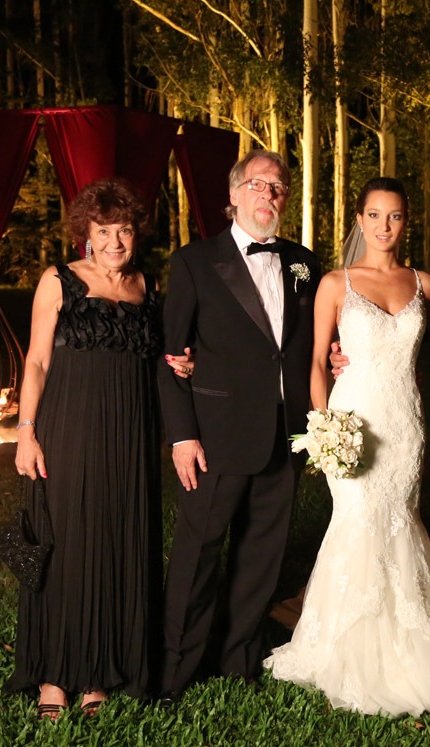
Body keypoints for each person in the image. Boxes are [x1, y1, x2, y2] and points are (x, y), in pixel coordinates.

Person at [265, 177, 430, 716]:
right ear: (360, 219)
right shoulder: (334, 283)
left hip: (404, 425)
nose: (385, 226)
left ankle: (407, 648)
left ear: (405, 221)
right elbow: (316, 362)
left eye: (395, 216)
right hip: (352, 422)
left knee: (399, 521)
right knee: (358, 521)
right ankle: (344, 648)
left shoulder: (424, 284)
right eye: (375, 215)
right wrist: (323, 428)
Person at [157, 150, 321, 706]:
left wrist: (338, 356)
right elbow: (169, 356)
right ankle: (176, 667)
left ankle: (238, 661)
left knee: (261, 556)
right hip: (215, 436)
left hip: (284, 435)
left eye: (277, 187)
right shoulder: (195, 263)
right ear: (233, 195)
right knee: (198, 555)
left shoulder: (304, 262)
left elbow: (315, 343)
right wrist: (182, 435)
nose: (268, 195)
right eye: (257, 185)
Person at [8, 177, 163, 719]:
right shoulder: (59, 280)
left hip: (130, 434)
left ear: (135, 233)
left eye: (123, 230)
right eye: (103, 231)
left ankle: (99, 672)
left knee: (116, 540)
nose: (115, 242)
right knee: (68, 539)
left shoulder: (148, 286)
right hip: (68, 427)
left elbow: (158, 359)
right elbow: (37, 361)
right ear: (86, 234)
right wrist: (26, 430)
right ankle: (54, 675)